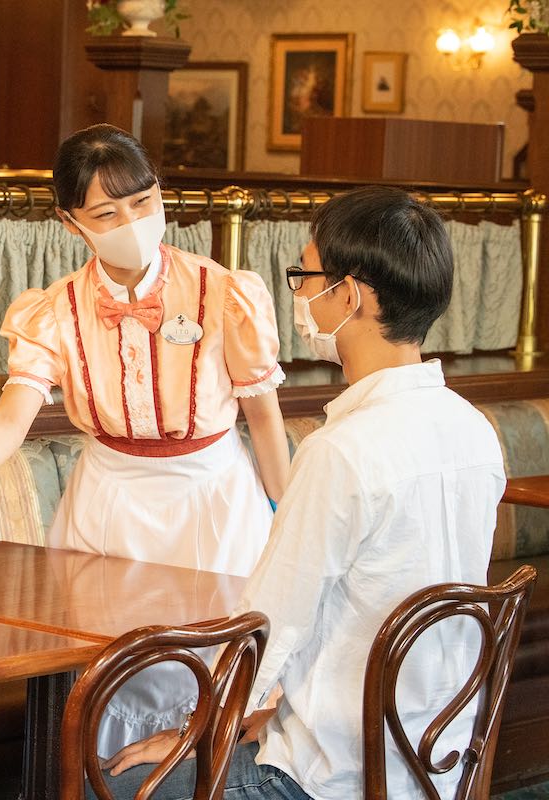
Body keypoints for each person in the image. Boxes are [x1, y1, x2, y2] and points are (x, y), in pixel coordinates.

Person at [0, 124, 291, 756]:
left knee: (210, 673)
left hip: (213, 500)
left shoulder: (225, 293)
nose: (132, 222)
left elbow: (264, 417)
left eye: (143, 202)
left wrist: (288, 514)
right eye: (107, 213)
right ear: (70, 223)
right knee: (104, 676)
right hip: (107, 501)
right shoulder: (54, 309)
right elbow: (13, 415)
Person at [97, 186, 506, 799]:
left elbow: (269, 626)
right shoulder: (473, 430)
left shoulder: (342, 451)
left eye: (305, 276)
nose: (300, 294)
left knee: (107, 779)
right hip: (436, 765)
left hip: (328, 778)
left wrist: (193, 732)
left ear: (350, 294)